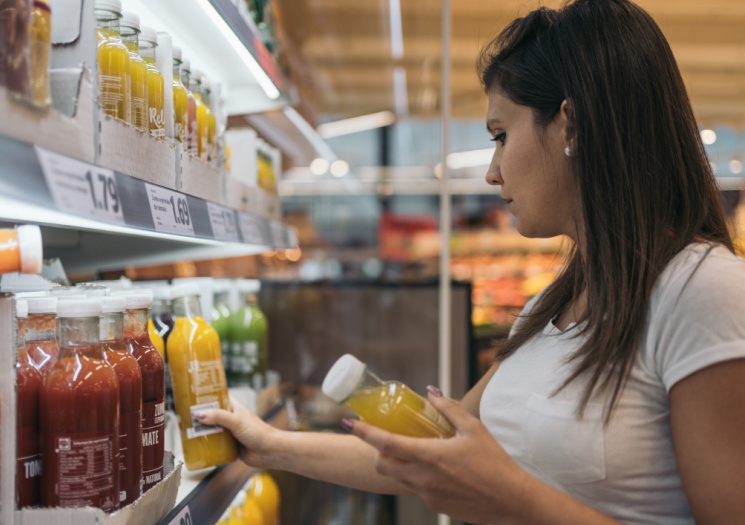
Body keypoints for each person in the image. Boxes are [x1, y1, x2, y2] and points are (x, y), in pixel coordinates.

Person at [196, 0, 745, 522]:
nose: (491, 170)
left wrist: (510, 499)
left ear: (571, 124)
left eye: (502, 136)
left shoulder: (703, 291)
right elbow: (434, 452)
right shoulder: (550, 309)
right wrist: (270, 446)